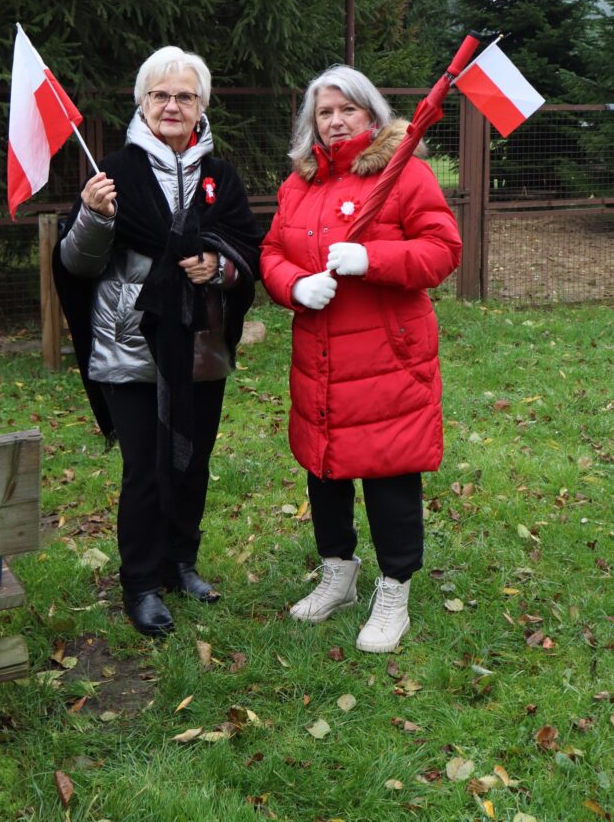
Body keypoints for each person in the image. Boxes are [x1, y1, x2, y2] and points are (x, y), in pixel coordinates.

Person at [54, 46, 260, 637]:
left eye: (185, 96)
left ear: (201, 106)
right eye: (160, 95)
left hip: (200, 345)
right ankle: (141, 582)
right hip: (131, 345)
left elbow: (247, 247)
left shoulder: (221, 176)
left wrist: (218, 268)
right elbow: (75, 262)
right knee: (145, 469)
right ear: (143, 103)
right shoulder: (112, 171)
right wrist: (93, 218)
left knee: (191, 461)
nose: (172, 105)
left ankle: (181, 562)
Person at [260, 65, 462, 654]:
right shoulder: (299, 185)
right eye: (324, 111)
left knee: (388, 471)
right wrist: (294, 286)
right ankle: (338, 574)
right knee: (324, 468)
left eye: (347, 108)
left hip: (386, 357)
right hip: (321, 357)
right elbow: (272, 250)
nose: (336, 120)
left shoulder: (406, 175)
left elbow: (441, 251)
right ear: (311, 123)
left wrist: (371, 259)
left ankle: (394, 589)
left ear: (372, 115)